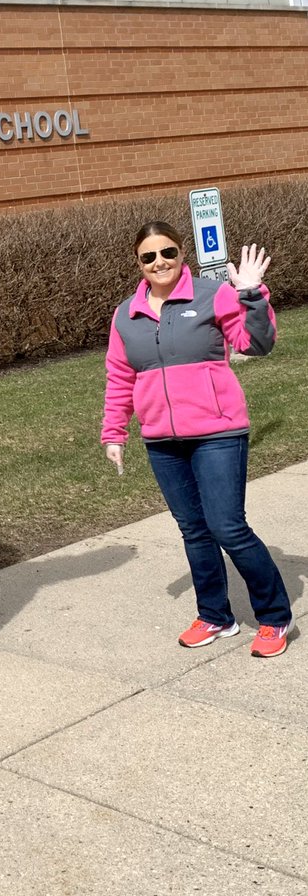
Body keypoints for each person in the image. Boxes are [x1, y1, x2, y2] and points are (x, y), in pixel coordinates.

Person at [102, 221, 292, 658]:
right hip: (162, 441)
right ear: (138, 263)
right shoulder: (125, 314)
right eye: (149, 257)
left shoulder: (211, 294)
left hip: (218, 432)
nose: (159, 262)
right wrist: (114, 432)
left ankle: (275, 615)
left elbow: (256, 343)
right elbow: (119, 376)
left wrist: (252, 294)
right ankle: (216, 616)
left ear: (181, 252)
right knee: (193, 529)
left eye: (167, 252)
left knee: (227, 526)